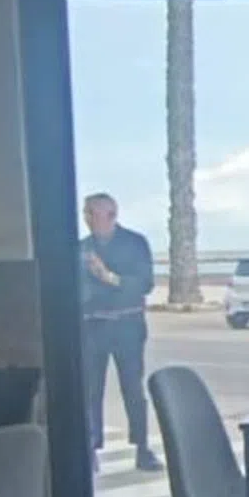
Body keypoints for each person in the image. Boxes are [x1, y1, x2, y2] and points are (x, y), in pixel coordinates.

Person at [80, 192, 160, 471]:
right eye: (86, 213)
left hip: (127, 325)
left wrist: (109, 277)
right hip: (92, 326)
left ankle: (142, 448)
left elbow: (144, 284)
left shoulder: (135, 243)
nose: (88, 219)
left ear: (111, 215)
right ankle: (90, 448)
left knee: (133, 388)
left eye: (93, 213)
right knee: (90, 390)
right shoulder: (81, 248)